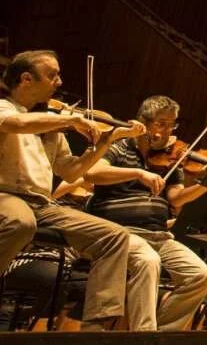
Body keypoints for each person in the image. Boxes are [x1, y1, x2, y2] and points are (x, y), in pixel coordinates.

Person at [0, 50, 157, 330]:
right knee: (20, 222)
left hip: (42, 204)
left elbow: (71, 171)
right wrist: (71, 120)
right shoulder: (5, 107)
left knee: (114, 236)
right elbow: (15, 124)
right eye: (52, 75)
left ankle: (95, 326)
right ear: (26, 79)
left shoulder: (51, 126)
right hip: (7, 195)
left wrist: (108, 140)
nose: (59, 82)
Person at [82, 95, 207, 330]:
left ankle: (160, 333)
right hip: (120, 233)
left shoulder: (171, 158)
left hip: (159, 236)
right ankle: (144, 334)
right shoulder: (118, 146)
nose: (167, 131)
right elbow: (92, 173)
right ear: (143, 121)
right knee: (148, 261)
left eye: (172, 125)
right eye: (161, 123)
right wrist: (138, 173)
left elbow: (176, 198)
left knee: (201, 276)